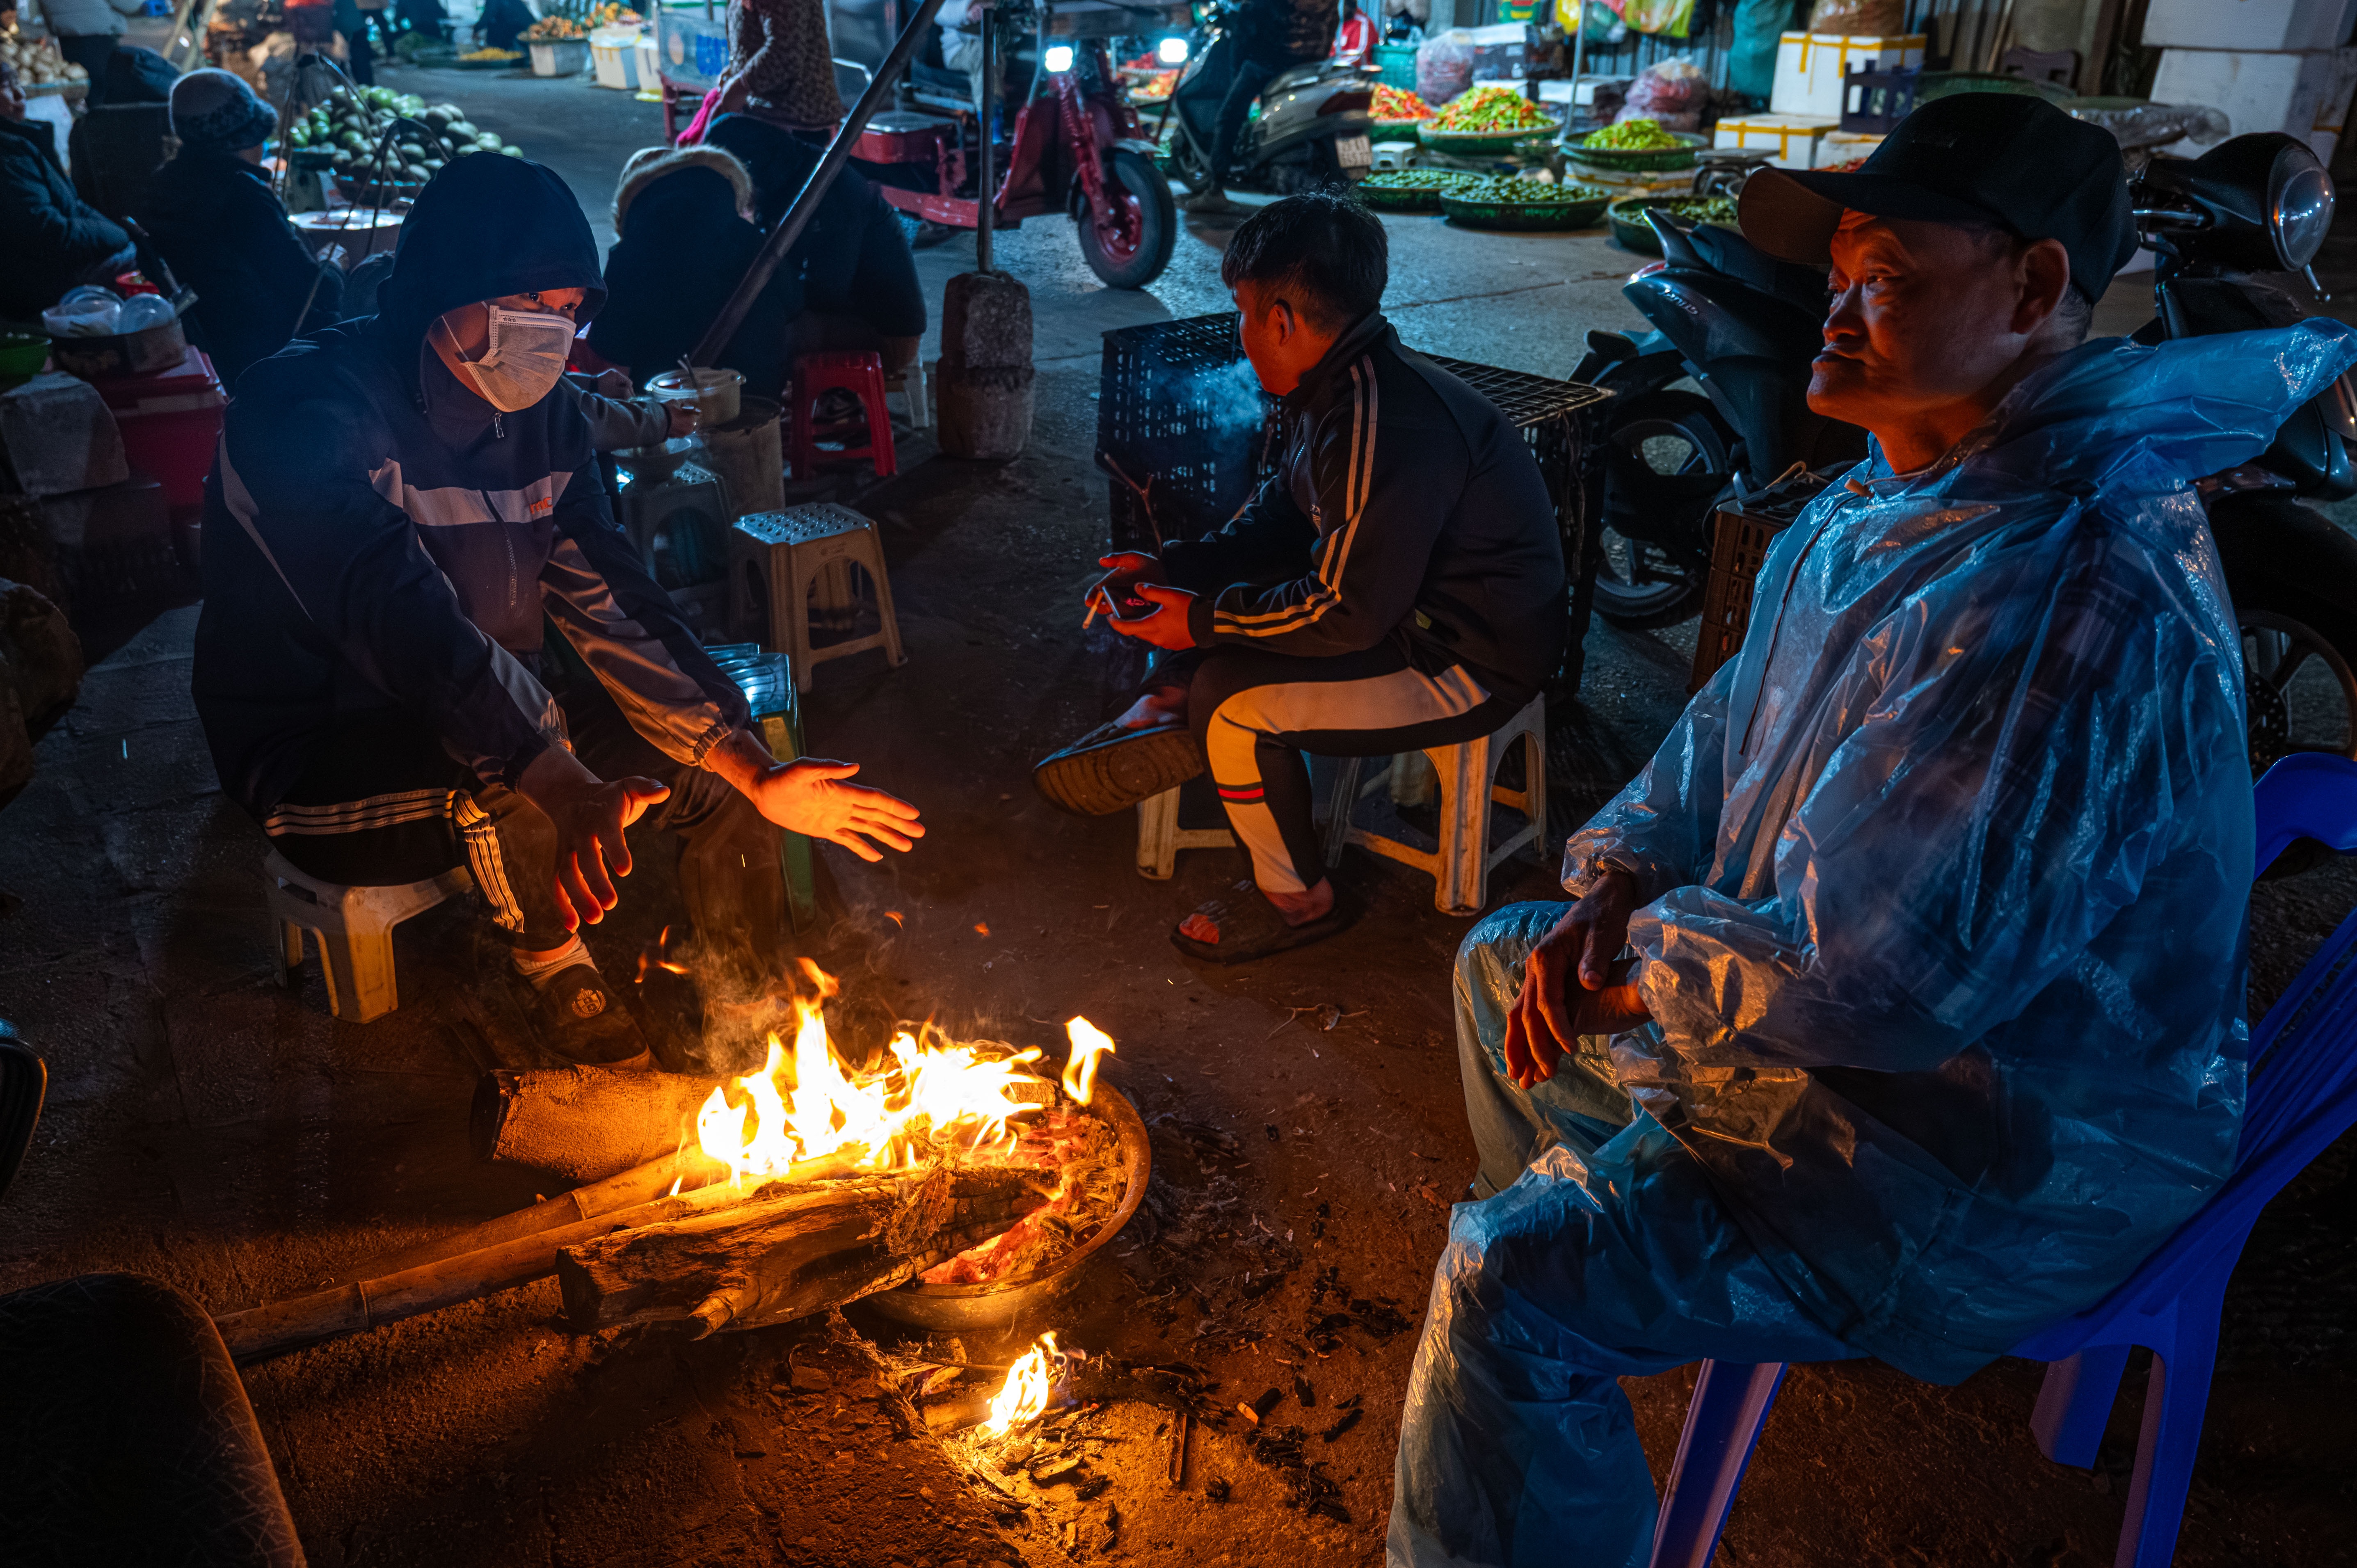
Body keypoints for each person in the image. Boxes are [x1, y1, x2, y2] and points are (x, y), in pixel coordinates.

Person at [1388, 94, 2357, 1568]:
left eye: (1887, 275)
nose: (1833, 307)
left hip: (1989, 1147)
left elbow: (1885, 988)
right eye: (1838, 269)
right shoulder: (1889, 498)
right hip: (1852, 1056)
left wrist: (1648, 963)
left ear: (2035, 290)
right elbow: (1723, 733)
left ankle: (1553, 1330)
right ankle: (1582, 1343)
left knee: (1508, 1275)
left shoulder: (2066, 579)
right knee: (1506, 963)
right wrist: (1623, 882)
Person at [191, 153, 923, 1070]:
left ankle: (760, 1016)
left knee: (714, 777)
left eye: (569, 312)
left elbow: (614, 602)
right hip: (320, 747)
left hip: (493, 708)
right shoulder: (301, 409)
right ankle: (557, 982)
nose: (550, 333)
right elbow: (394, 615)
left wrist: (745, 762)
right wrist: (552, 772)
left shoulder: (549, 422)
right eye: (527, 306)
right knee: (511, 770)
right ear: (442, 290)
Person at [1032, 193, 1566, 962]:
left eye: (1242, 311)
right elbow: (1275, 527)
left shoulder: (1385, 422)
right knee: (1204, 639)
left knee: (1232, 702)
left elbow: (1345, 614)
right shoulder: (1337, 391)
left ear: (1281, 320)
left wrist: (1204, 622)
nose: (1240, 334)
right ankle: (1169, 700)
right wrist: (1172, 568)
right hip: (1402, 618)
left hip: (1468, 658)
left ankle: (1299, 899)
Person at [135, 69, 347, 389]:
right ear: (246, 138)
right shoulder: (241, 198)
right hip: (268, 350)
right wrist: (333, 262)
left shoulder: (162, 184)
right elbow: (316, 293)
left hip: (208, 336)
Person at [701, 112, 926, 370]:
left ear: (750, 166)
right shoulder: (788, 174)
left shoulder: (826, 188)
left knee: (765, 335)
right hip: (840, 315)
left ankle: (763, 407)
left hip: (886, 334)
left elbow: (827, 294)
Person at [587, 144, 802, 398]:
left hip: (660, 410)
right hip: (755, 398)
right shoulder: (754, 243)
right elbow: (794, 303)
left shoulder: (631, 255)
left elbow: (608, 355)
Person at [1173, 0, 1340, 214]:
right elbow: (1339, 15)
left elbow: (1252, 23)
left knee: (1229, 115)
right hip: (1314, 59)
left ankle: (1214, 191)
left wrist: (1239, 58)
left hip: (1274, 59)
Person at [0, 57, 135, 321]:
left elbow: (71, 203)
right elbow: (48, 232)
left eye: (17, 83)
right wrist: (119, 237)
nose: (20, 94)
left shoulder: (22, 142)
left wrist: (116, 232)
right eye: (5, 86)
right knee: (134, 266)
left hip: (43, 271)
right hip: (34, 286)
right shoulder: (9, 157)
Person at [713, 0, 843, 132]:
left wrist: (742, 83)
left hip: (794, 120)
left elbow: (786, 50)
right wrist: (735, 71)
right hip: (768, 115)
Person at [35, 0, 144, 105]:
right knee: (97, 91)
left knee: (77, 86)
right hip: (96, 32)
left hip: (65, 33)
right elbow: (130, 4)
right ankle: (97, 122)